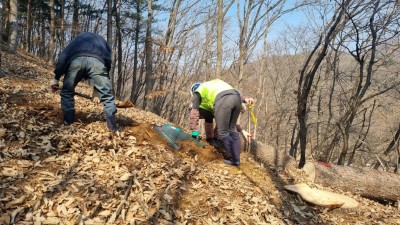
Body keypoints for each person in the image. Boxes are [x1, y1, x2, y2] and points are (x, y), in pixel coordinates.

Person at [49, 32, 118, 132]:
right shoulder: (103, 43)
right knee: (107, 97)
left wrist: (56, 78)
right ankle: (113, 127)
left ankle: (68, 122)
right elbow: (107, 63)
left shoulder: (78, 40)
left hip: (76, 61)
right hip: (97, 63)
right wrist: (97, 90)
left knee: (67, 92)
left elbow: (63, 57)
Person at [189, 79, 254, 166]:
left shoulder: (198, 92)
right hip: (237, 98)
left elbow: (194, 113)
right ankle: (236, 160)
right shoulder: (214, 83)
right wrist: (245, 99)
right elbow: (231, 90)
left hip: (224, 101)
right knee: (232, 130)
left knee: (223, 132)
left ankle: (231, 156)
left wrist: (194, 133)